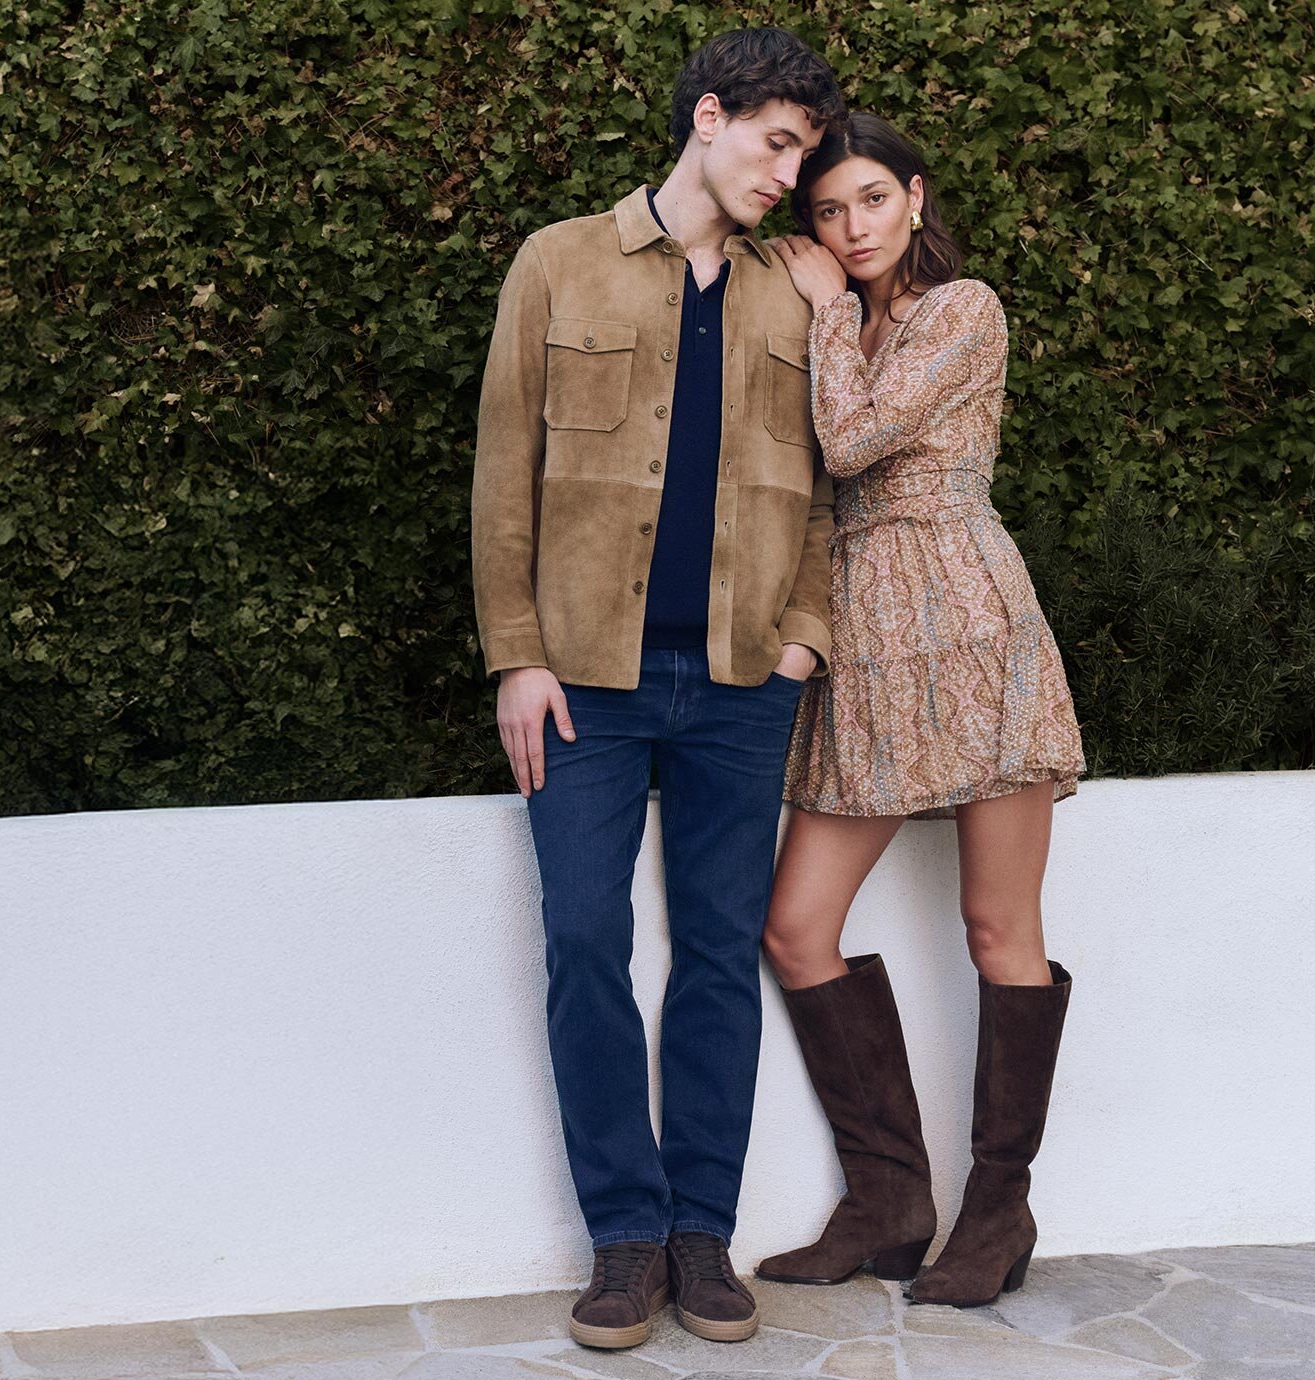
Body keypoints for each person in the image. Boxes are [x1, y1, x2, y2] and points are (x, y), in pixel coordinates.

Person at [470, 28, 846, 1350]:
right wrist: (516, 651)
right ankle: (622, 1241)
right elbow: (503, 466)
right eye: (775, 143)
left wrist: (804, 634)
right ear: (708, 117)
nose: (788, 175)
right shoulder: (559, 264)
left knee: (717, 965)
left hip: (746, 685)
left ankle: (702, 1234)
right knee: (583, 940)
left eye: (803, 153)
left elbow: (836, 485)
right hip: (582, 681)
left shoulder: (795, 295)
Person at [758, 112, 1087, 1308]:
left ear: (913, 197)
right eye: (826, 212)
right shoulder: (836, 317)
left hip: (969, 620)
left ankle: (998, 1211)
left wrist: (824, 309)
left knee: (1001, 930)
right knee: (796, 925)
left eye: (869, 203)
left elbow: (850, 440)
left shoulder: (964, 309)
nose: (848, 231)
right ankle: (890, 1199)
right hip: (863, 643)